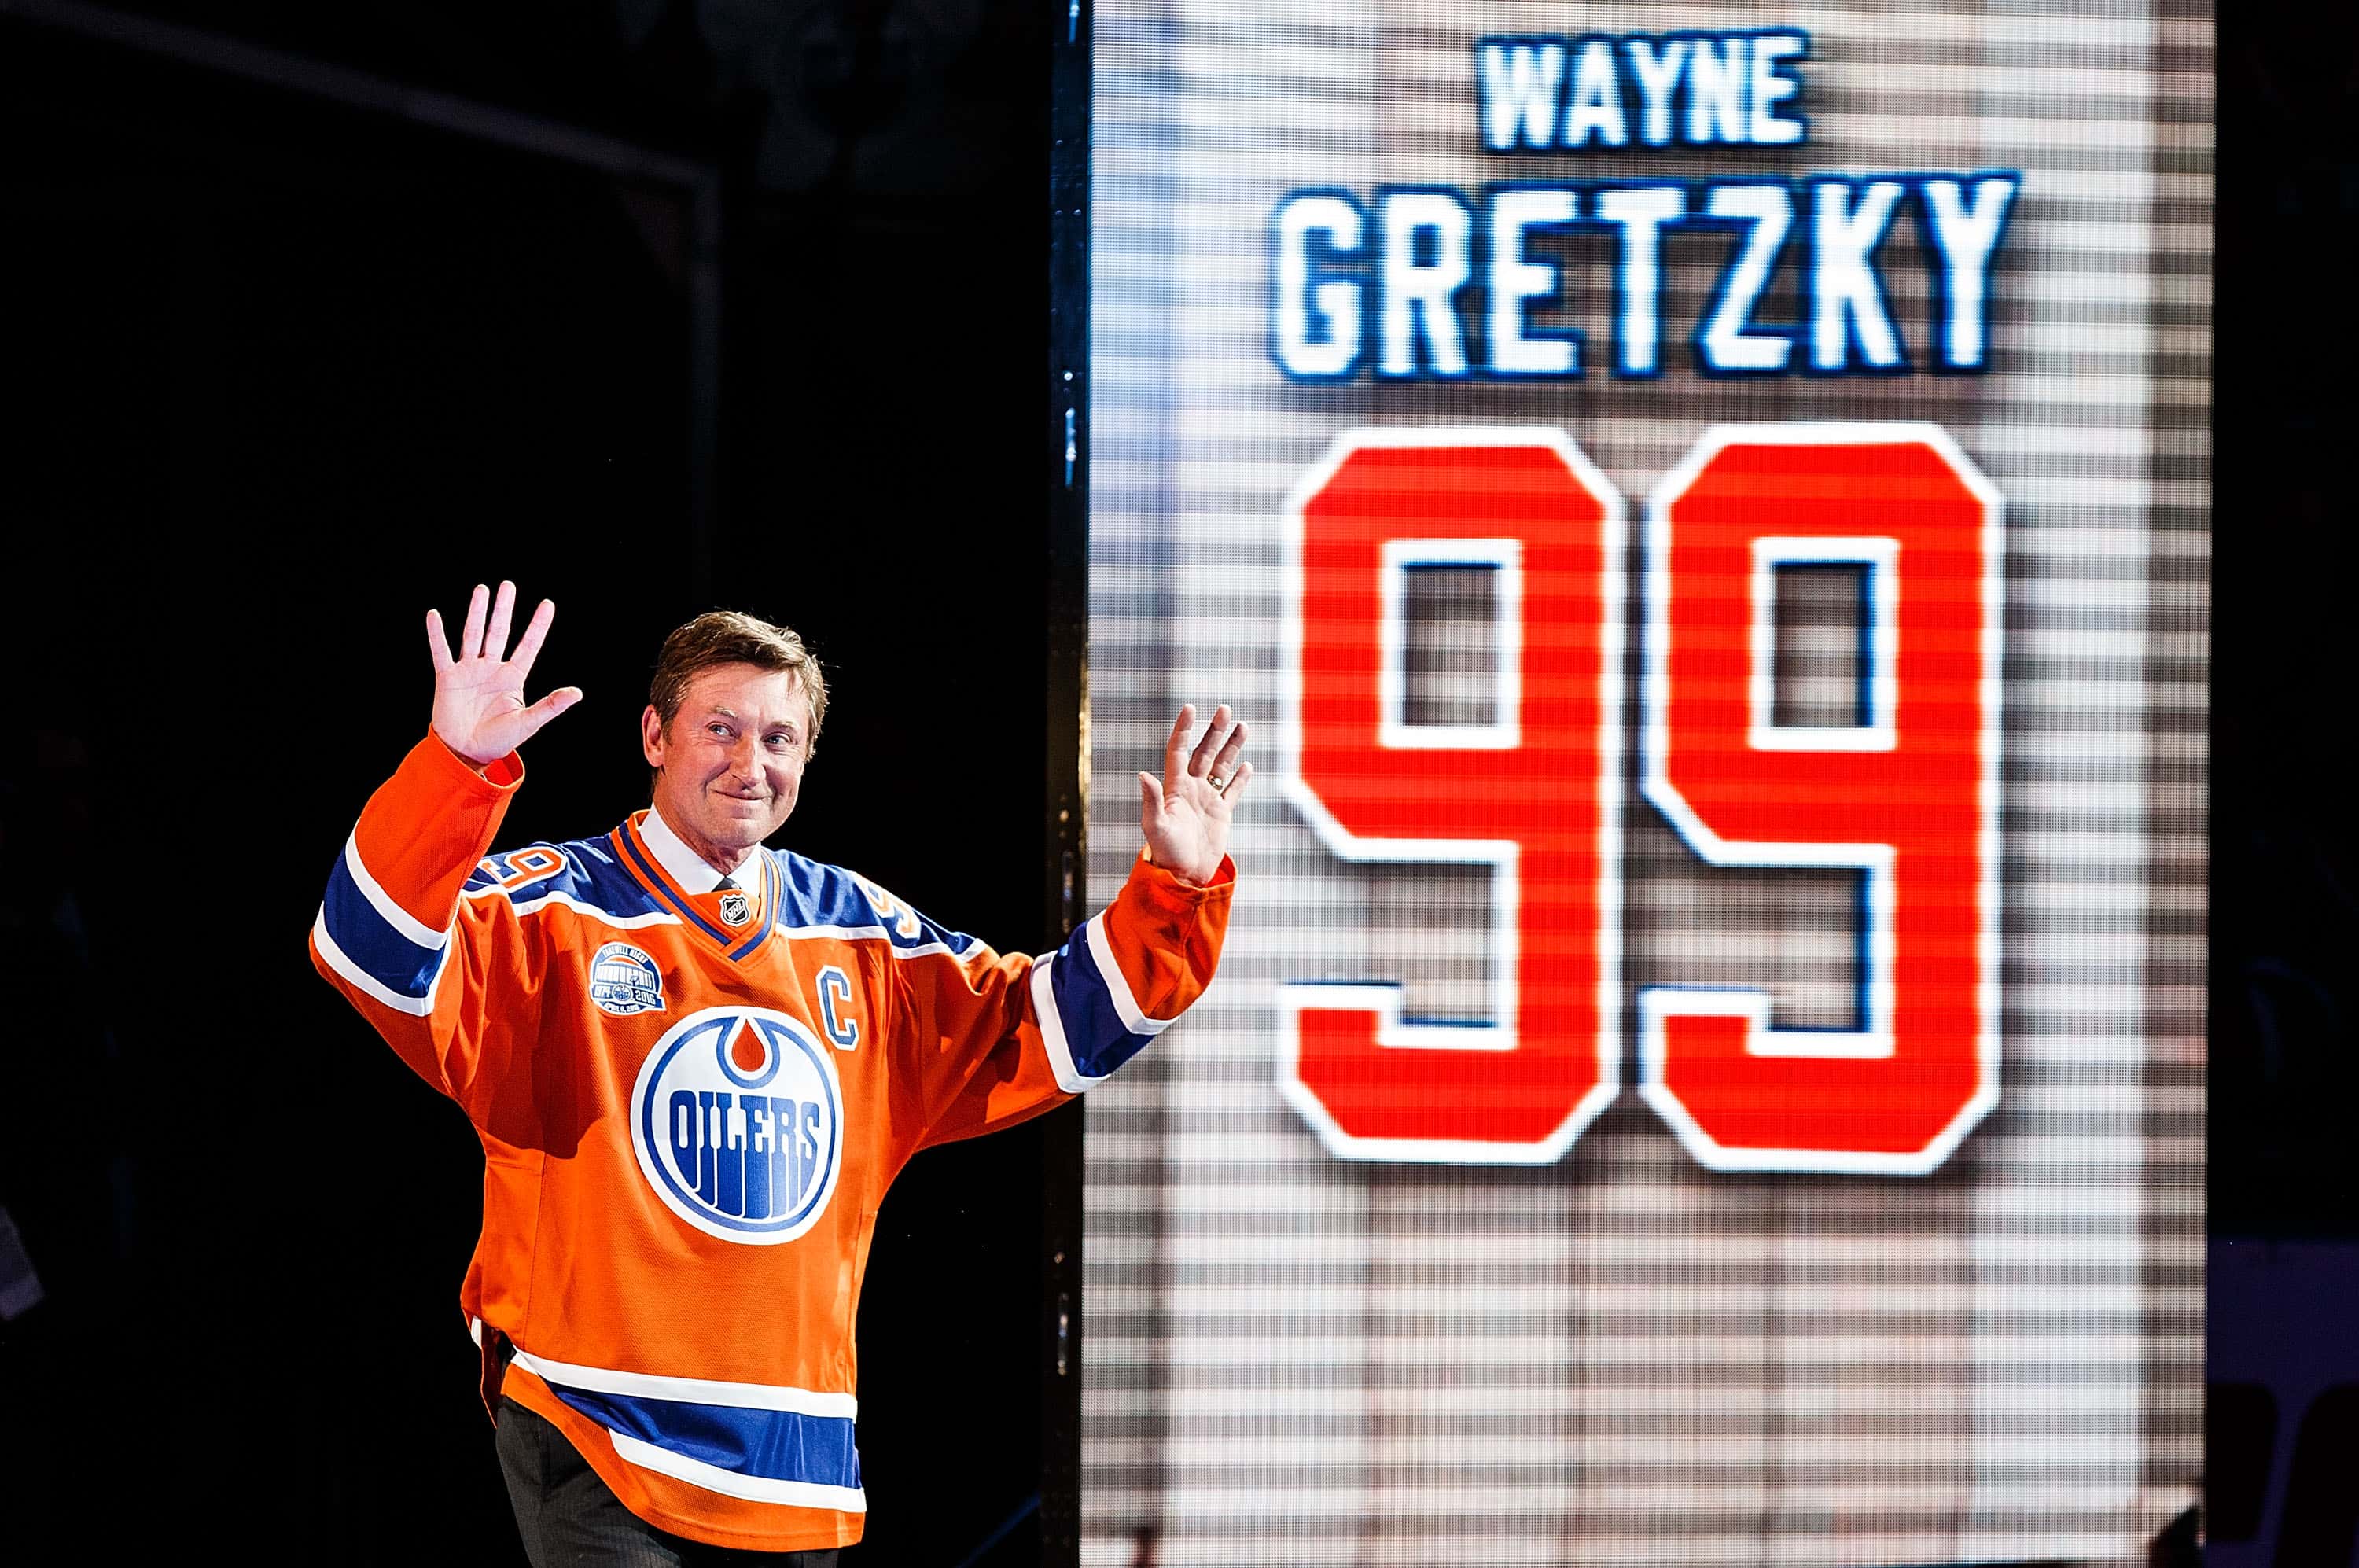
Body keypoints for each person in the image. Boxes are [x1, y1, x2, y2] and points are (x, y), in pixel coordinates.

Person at [311, 583, 1248, 1565]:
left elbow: (1048, 1024)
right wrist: (456, 769)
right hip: (596, 1420)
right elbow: (368, 947)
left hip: (794, 1456)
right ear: (654, 735)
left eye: (778, 739)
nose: (749, 763)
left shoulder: (862, 934)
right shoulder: (551, 910)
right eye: (720, 728)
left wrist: (1174, 889)